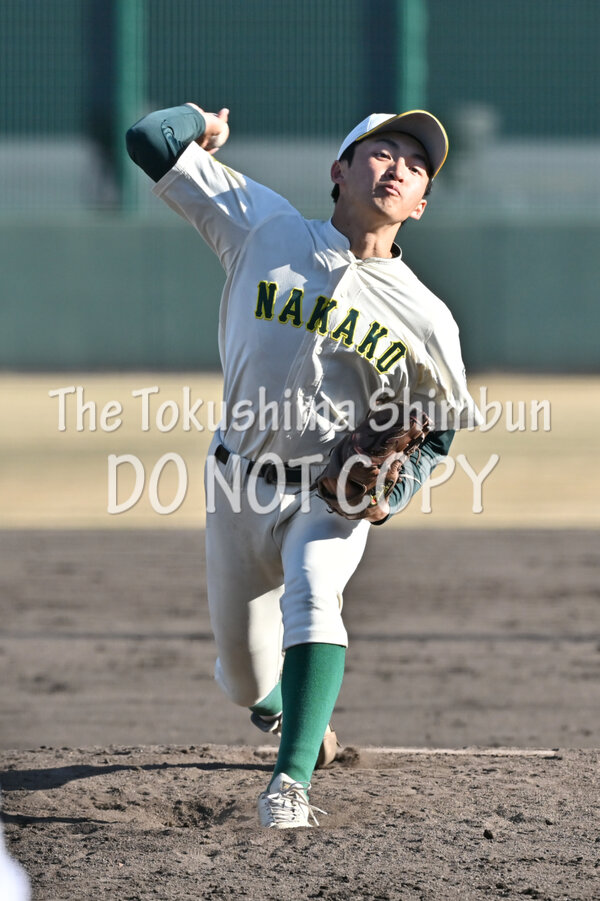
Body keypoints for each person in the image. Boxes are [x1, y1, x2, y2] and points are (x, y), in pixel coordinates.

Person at [126, 104, 482, 829]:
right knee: (243, 678)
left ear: (421, 204)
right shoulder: (266, 227)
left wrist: (394, 491)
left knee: (316, 595)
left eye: (417, 166)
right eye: (382, 152)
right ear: (339, 170)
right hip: (236, 483)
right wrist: (203, 126)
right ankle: (286, 711)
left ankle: (288, 786)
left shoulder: (427, 317)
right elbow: (147, 140)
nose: (399, 169)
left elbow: (438, 432)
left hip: (329, 496)